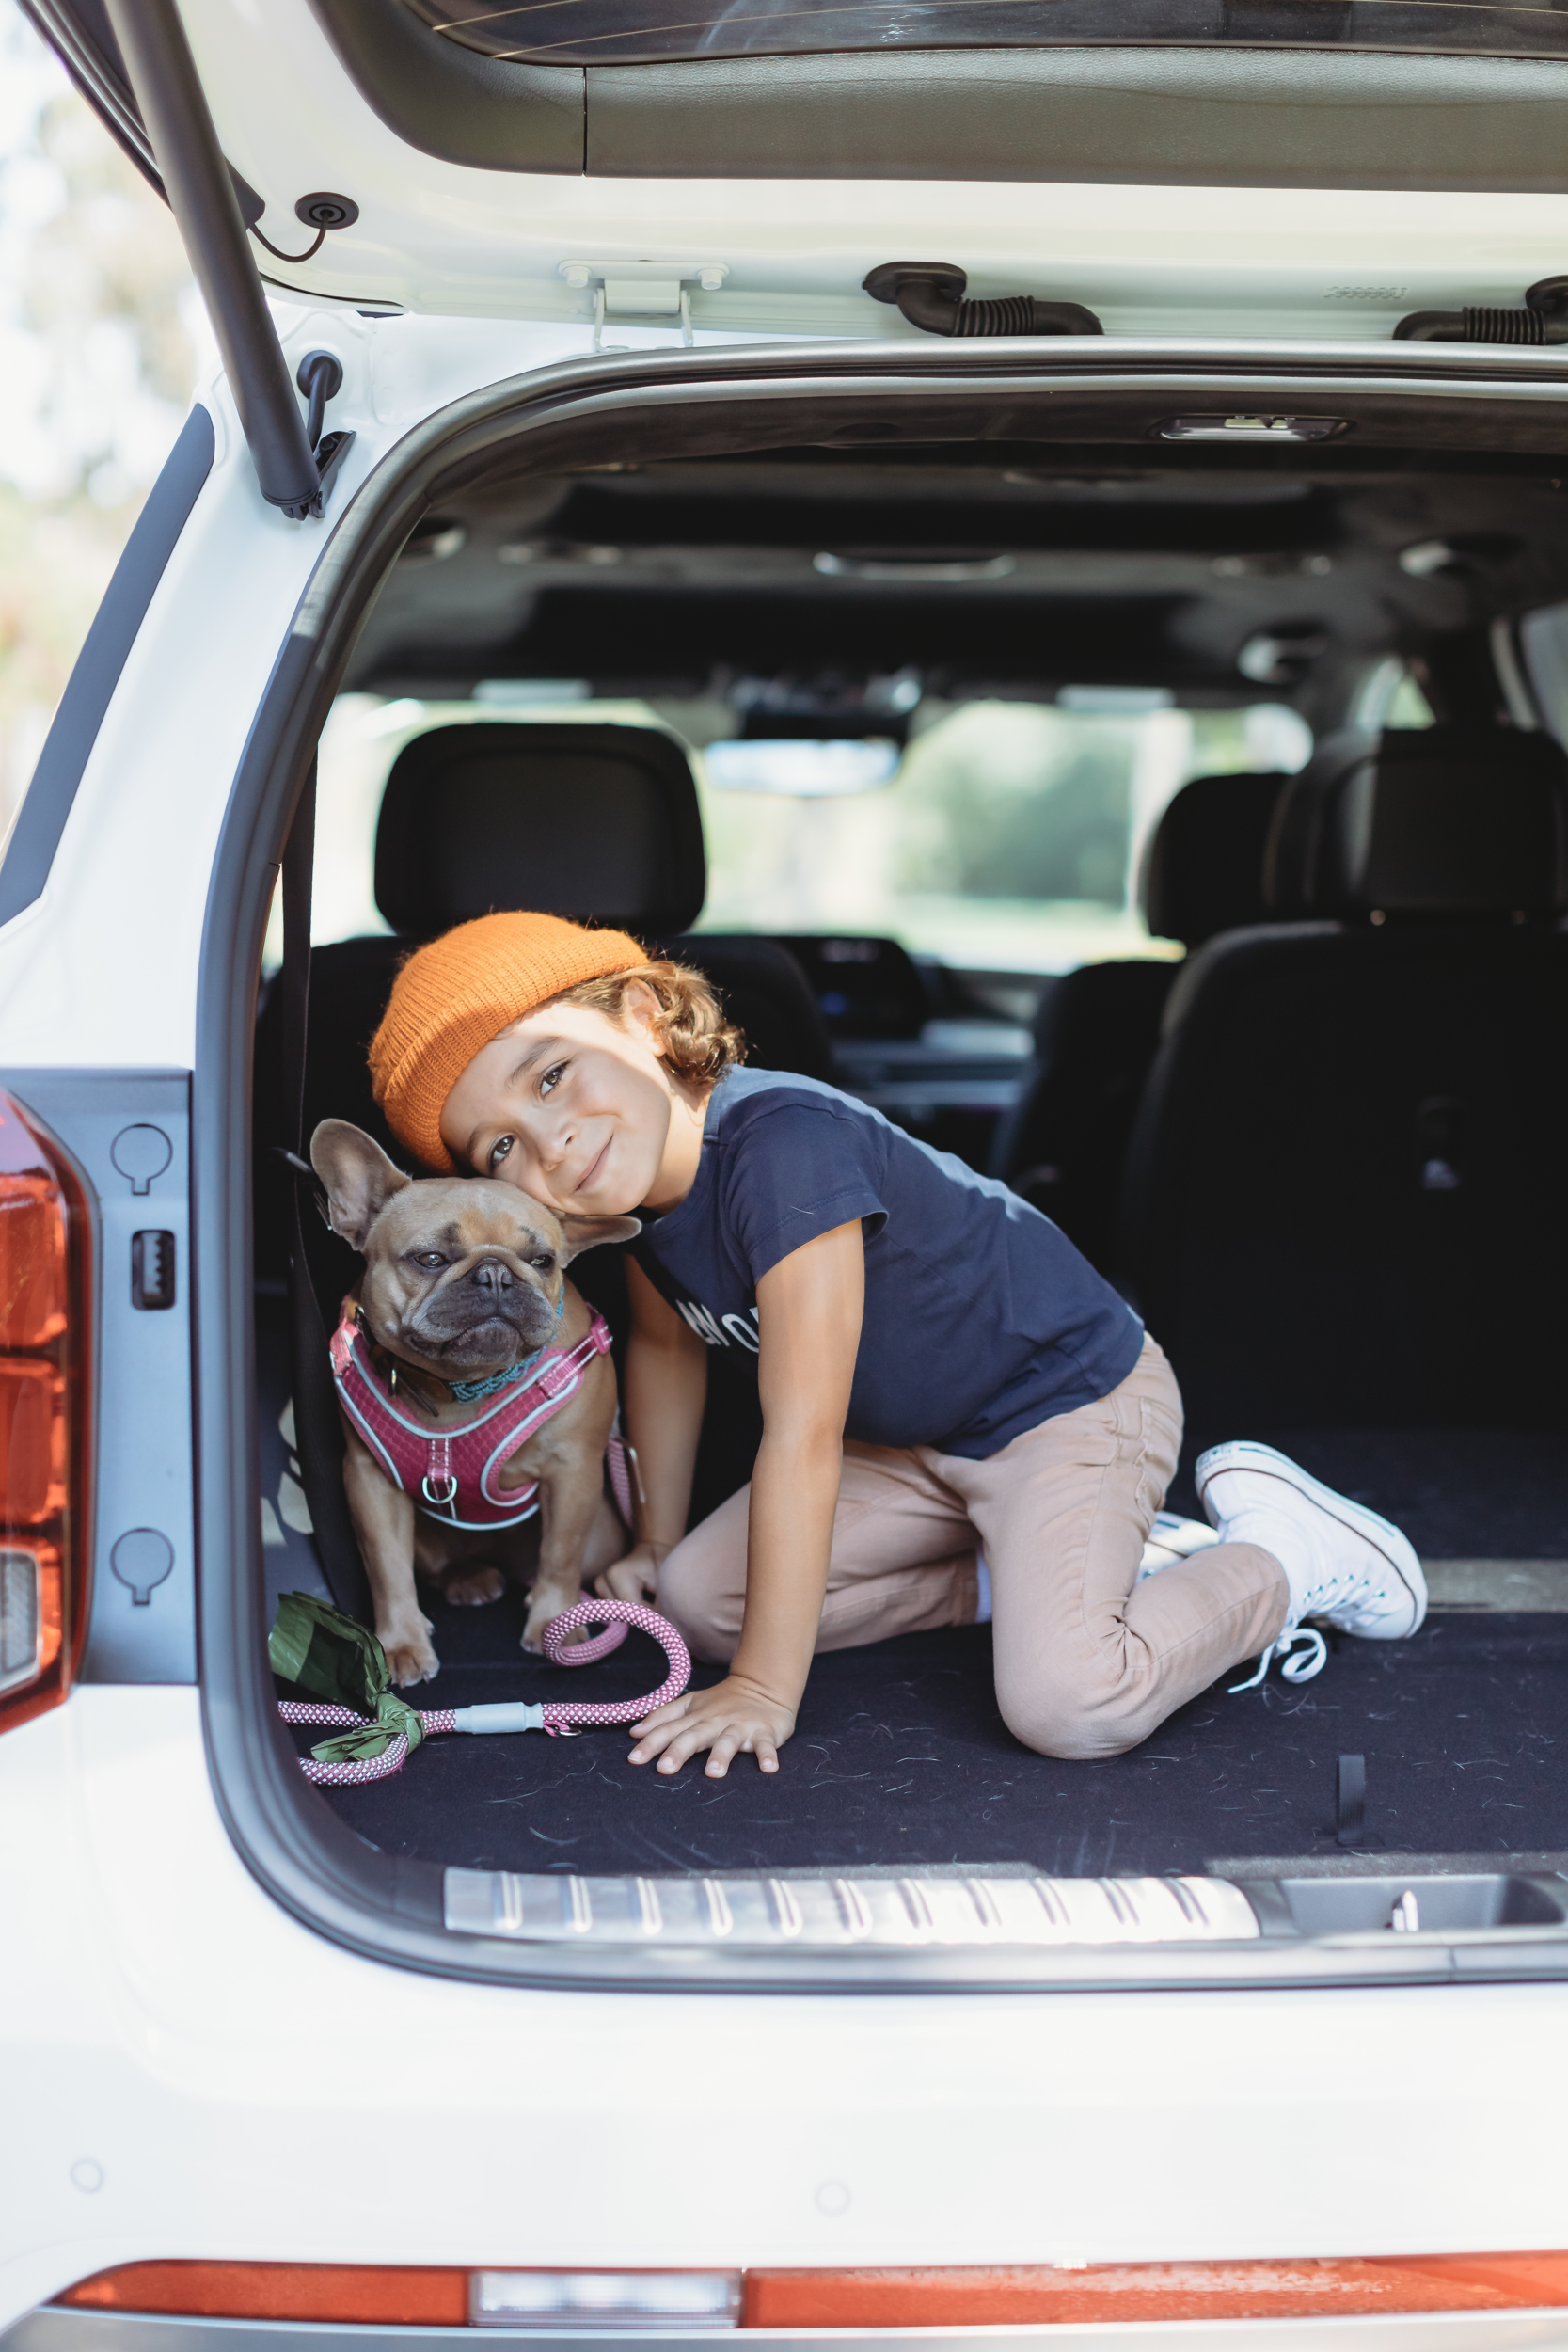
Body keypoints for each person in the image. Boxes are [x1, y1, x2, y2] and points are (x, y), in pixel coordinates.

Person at [368, 910, 1426, 1780]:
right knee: (699, 1600)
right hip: (918, 1446)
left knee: (1068, 1703)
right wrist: (652, 1535)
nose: (547, 1140)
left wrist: (763, 1692)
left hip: (1065, 1403)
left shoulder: (782, 1146)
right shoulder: (636, 1204)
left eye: (551, 1075)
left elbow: (802, 1433)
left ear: (644, 1018)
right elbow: (665, 1351)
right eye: (499, 1145)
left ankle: (1288, 1555)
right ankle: (1036, 1572)